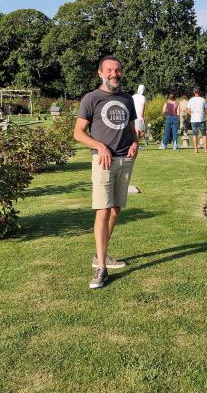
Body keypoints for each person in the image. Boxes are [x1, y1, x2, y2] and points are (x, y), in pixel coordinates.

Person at [73, 56, 139, 289]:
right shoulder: (92, 98)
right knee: (102, 211)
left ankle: (101, 254)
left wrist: (135, 144)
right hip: (103, 162)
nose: (114, 73)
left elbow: (132, 130)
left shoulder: (127, 99)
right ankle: (101, 269)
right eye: (109, 70)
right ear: (100, 73)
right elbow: (78, 133)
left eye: (118, 70)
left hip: (125, 161)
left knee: (115, 210)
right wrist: (99, 146)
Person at [187, 88, 207, 153]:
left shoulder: (191, 100)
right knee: (204, 134)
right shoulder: (203, 100)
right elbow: (206, 110)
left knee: (194, 134)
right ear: (199, 92)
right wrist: (203, 115)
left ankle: (196, 150)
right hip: (201, 118)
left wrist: (192, 115)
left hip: (194, 119)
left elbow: (188, 110)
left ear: (194, 92)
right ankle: (205, 149)